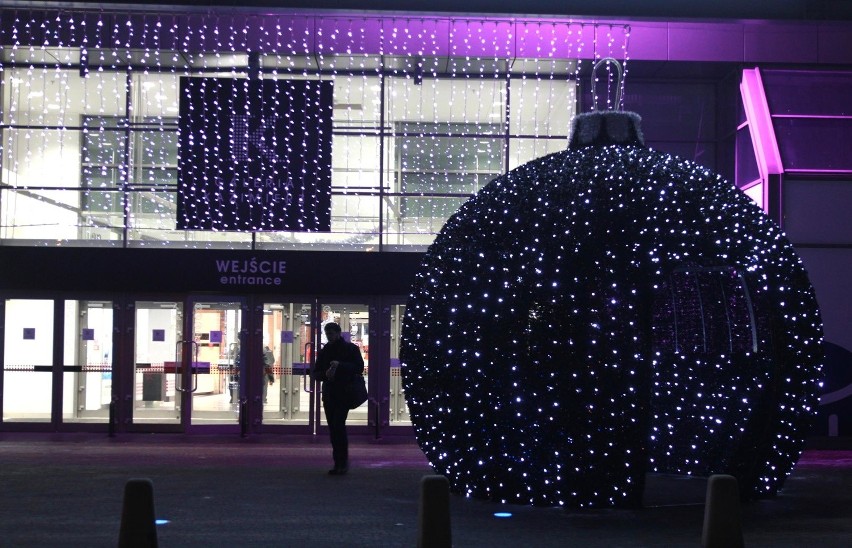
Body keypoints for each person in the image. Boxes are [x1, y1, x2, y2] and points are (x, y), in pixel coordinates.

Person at [311, 322, 364, 475]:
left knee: (337, 425)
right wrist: (324, 374)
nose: (329, 336)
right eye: (327, 334)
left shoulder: (350, 349)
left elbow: (359, 367)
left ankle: (342, 461)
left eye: (331, 333)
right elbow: (316, 372)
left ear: (338, 333)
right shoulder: (325, 350)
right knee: (334, 428)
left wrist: (339, 365)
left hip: (343, 393)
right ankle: (339, 462)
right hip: (331, 393)